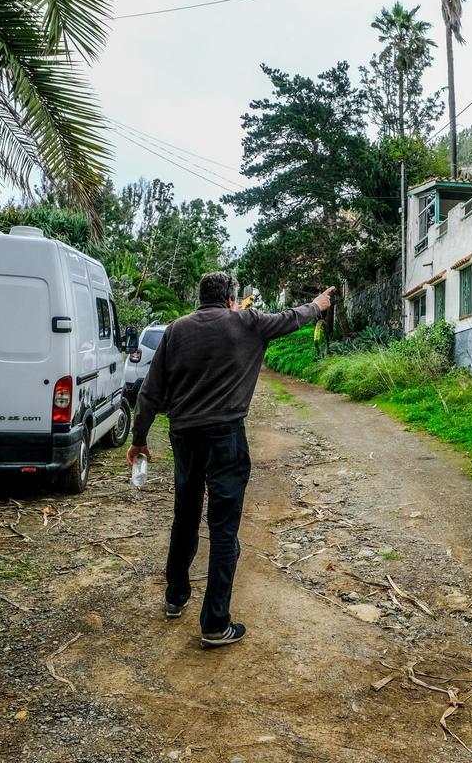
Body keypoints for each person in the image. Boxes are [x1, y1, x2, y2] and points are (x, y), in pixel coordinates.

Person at [128, 273, 333, 648]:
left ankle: (175, 597)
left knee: (185, 517)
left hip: (184, 436)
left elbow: (150, 392)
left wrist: (138, 439)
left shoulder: (175, 331)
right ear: (230, 300)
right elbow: (291, 318)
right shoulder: (245, 322)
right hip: (226, 437)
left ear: (200, 298)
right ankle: (214, 623)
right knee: (223, 529)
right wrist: (317, 305)